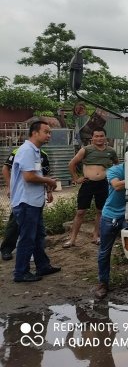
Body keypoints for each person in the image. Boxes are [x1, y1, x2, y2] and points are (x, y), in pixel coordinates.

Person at [10, 120, 61, 282]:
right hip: (26, 203)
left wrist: (46, 184)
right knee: (27, 238)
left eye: (50, 132)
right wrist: (48, 181)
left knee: (38, 235)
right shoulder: (26, 150)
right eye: (46, 132)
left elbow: (34, 175)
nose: (49, 135)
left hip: (34, 202)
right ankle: (21, 273)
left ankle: (42, 266)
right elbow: (29, 177)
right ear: (34, 133)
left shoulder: (35, 151)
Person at [65, 128, 119, 248]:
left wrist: (114, 178)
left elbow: (117, 165)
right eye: (96, 136)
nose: (99, 138)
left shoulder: (111, 151)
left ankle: (96, 236)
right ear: (92, 138)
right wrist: (76, 178)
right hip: (88, 184)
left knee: (100, 211)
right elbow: (71, 164)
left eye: (101, 136)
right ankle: (72, 239)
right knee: (80, 212)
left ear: (105, 137)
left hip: (104, 184)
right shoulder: (86, 150)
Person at [1, 146, 51, 261]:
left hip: (35, 196)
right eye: (45, 132)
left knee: (36, 225)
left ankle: (35, 255)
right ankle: (7, 249)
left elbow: (45, 175)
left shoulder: (43, 155)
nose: (48, 136)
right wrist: (10, 187)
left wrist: (49, 191)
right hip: (21, 195)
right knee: (15, 222)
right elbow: (5, 169)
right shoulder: (20, 151)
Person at [95, 163, 125, 300]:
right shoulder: (114, 170)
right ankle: (103, 283)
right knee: (104, 251)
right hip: (110, 215)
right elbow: (117, 186)